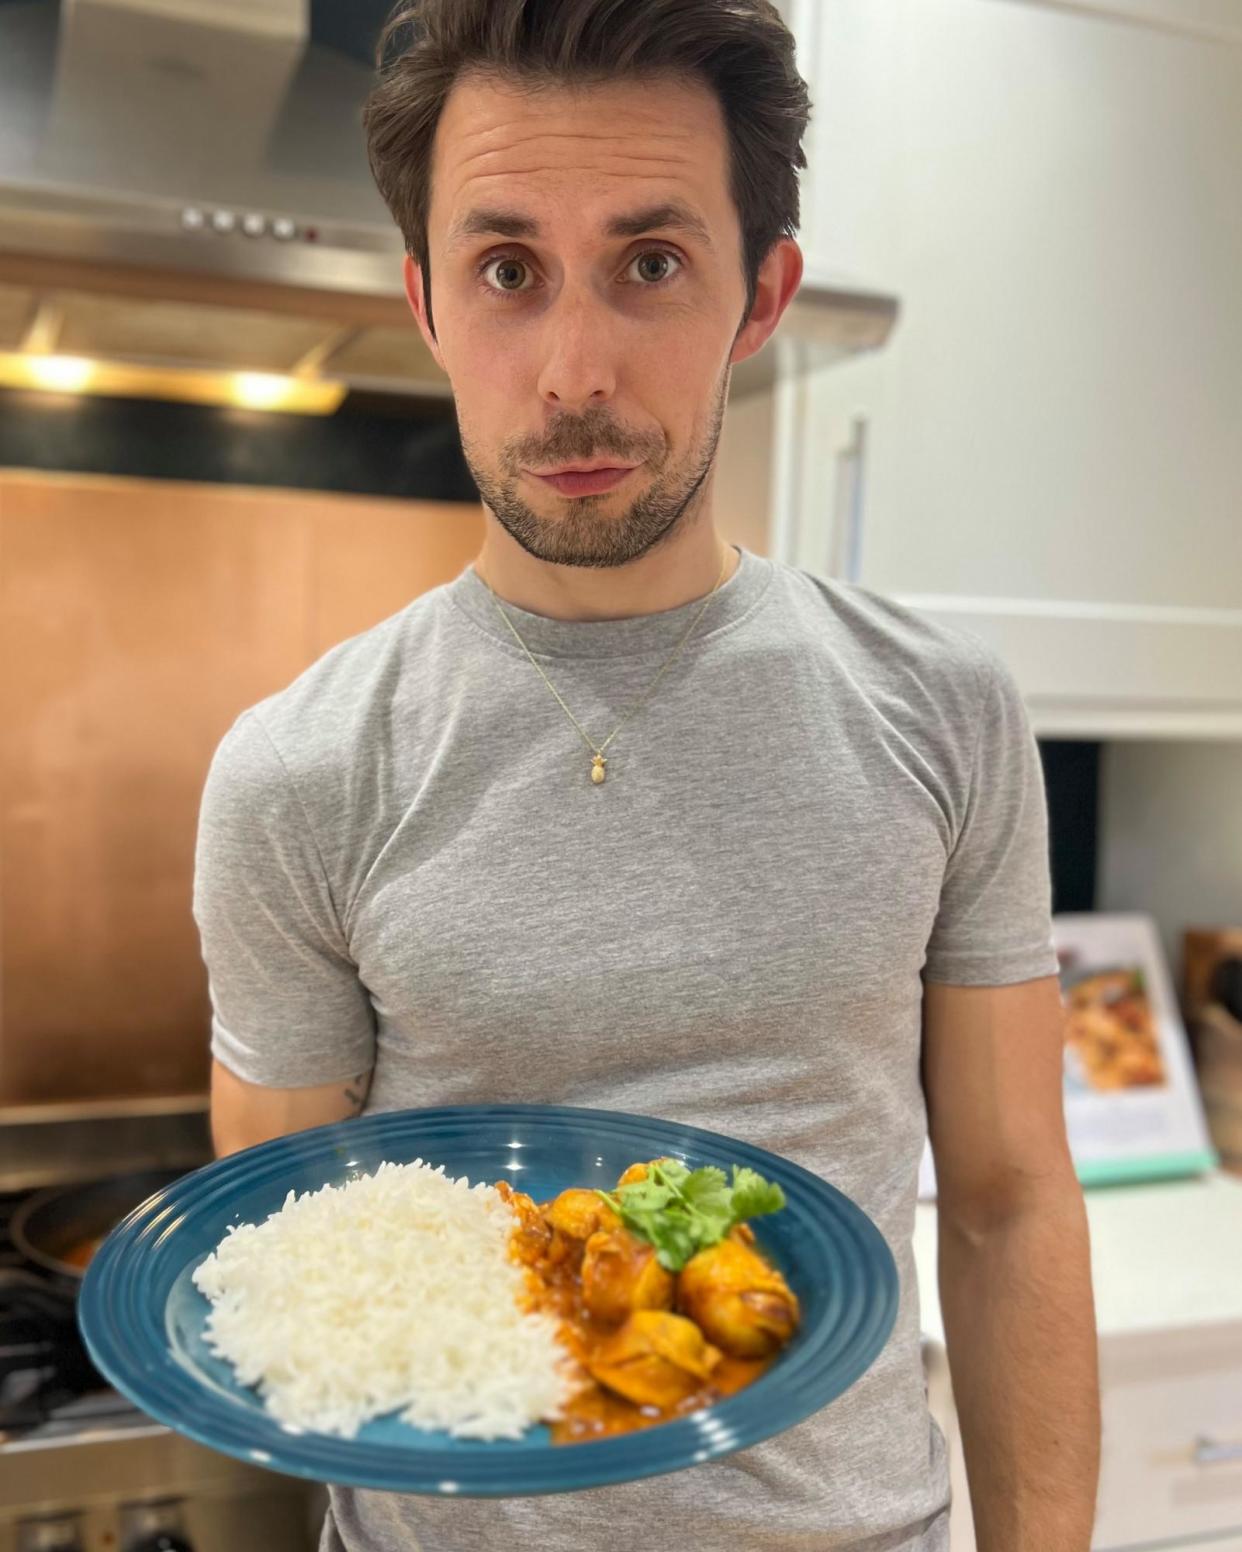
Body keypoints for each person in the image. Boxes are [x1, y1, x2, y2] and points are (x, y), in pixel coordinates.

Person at [194, 1, 1101, 1548]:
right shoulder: (299, 769)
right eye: (506, 271)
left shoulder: (941, 710)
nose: (572, 368)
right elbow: (297, 1257)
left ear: (761, 295)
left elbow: (1011, 1203)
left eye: (650, 263)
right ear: (424, 301)